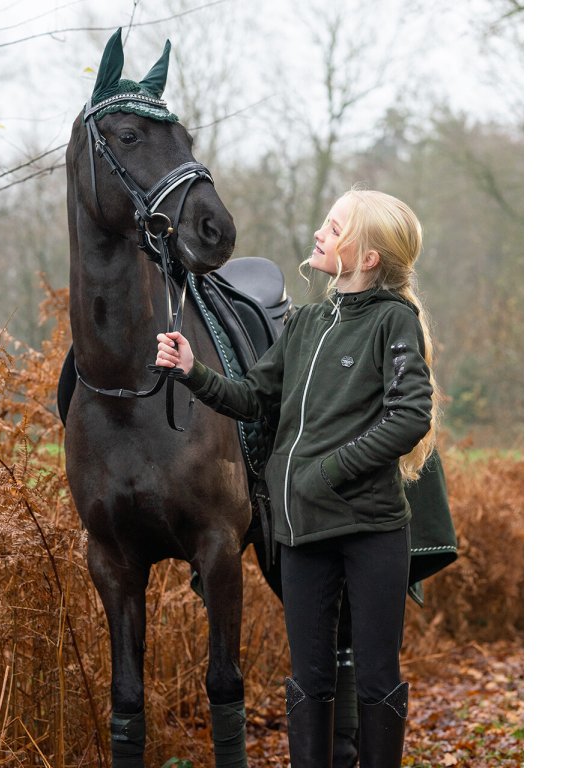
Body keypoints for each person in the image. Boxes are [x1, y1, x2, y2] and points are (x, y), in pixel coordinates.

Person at [155, 189, 440, 768]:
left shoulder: (393, 320)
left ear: (367, 258)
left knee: (377, 679)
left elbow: (411, 414)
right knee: (309, 681)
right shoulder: (305, 323)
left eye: (334, 228)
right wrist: (192, 370)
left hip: (371, 530)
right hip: (302, 530)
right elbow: (251, 398)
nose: (319, 233)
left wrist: (329, 472)